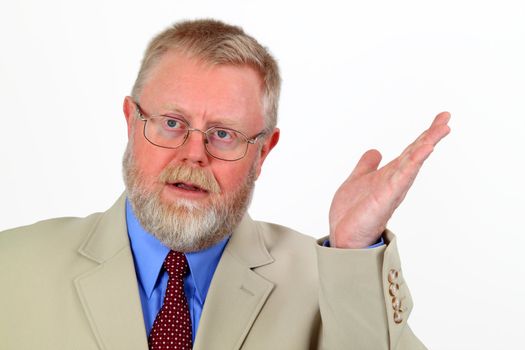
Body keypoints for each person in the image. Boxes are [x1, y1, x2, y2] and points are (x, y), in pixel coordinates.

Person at [0, 19, 450, 350]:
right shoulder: (11, 268)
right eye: (172, 122)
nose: (194, 153)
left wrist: (353, 250)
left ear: (263, 152)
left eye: (223, 134)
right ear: (130, 122)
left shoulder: (332, 281)